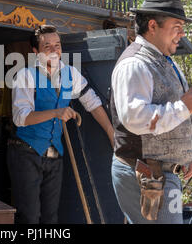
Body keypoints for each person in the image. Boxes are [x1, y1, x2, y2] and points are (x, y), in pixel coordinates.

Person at [110, 0, 192, 224]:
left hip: (158, 173)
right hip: (146, 173)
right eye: (177, 25)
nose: (182, 33)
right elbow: (135, 118)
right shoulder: (135, 64)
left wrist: (186, 153)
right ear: (153, 25)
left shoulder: (162, 60)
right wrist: (183, 107)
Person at [9, 24, 114, 224]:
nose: (54, 50)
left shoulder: (70, 74)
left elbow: (92, 102)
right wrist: (56, 112)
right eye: (47, 46)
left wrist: (110, 132)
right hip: (26, 153)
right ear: (35, 52)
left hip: (55, 155)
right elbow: (20, 118)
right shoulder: (26, 75)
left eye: (57, 45)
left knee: (50, 218)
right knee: (29, 217)